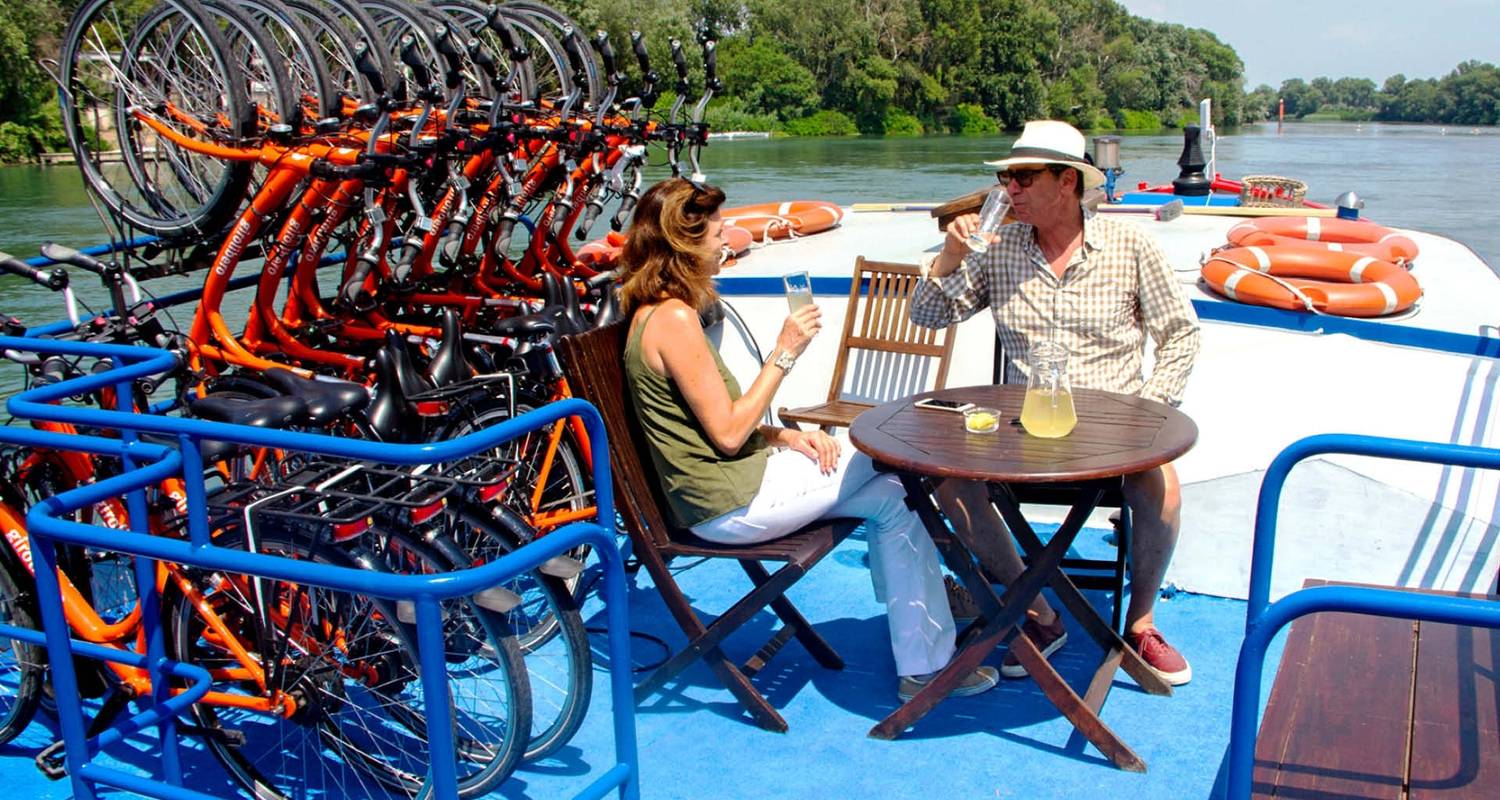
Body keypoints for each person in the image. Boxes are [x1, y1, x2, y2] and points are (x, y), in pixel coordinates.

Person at [618, 177, 999, 701]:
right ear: (685, 243)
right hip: (727, 505)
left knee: (893, 498)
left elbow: (709, 422)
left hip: (732, 485)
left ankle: (924, 664)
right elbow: (728, 435)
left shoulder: (657, 313)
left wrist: (783, 436)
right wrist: (786, 349)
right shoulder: (675, 320)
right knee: (899, 458)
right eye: (717, 232)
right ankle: (939, 598)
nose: (727, 241)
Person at [909, 120, 1201, 686]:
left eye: (1021, 177)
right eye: (1004, 178)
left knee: (1161, 481)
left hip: (1114, 427)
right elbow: (927, 316)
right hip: (1025, 429)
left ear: (1066, 181)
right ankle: (1039, 613)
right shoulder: (998, 250)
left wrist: (1150, 409)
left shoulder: (1130, 244)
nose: (1007, 190)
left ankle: (1140, 621)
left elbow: (1180, 334)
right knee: (948, 482)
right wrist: (947, 256)